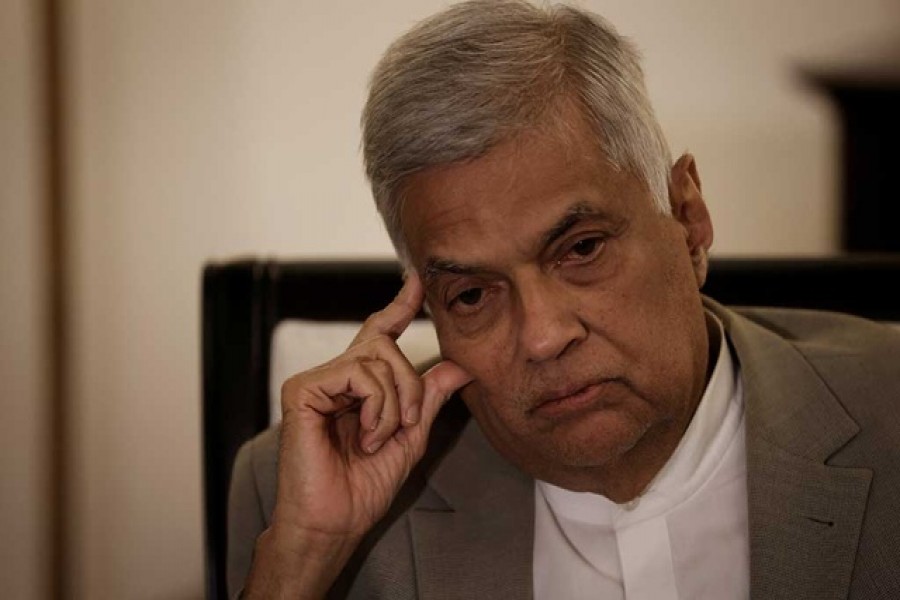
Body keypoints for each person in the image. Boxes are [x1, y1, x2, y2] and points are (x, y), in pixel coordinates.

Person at [227, 1, 900, 598]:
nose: (543, 336)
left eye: (581, 250)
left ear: (688, 216)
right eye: (470, 293)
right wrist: (303, 560)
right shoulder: (299, 489)